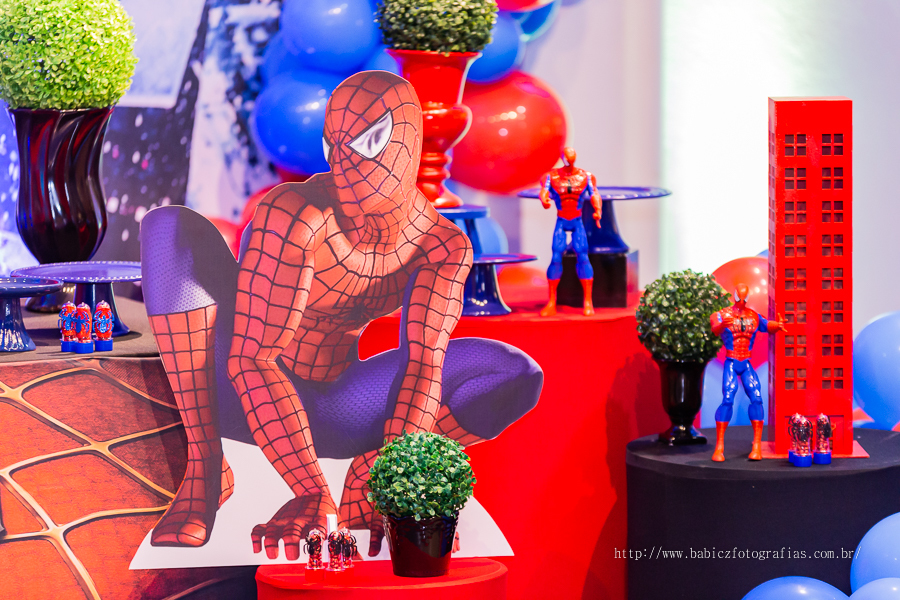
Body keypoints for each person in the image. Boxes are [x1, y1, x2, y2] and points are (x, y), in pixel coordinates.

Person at [141, 71, 543, 559]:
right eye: (336, 145)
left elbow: (423, 366)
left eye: (370, 141)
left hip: (338, 409)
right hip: (232, 394)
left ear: (410, 142)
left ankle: (368, 469)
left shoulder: (440, 245)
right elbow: (251, 359)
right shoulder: (295, 214)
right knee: (169, 228)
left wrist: (391, 482)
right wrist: (311, 490)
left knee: (512, 372)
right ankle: (205, 469)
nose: (349, 164)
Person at [710, 283, 786, 461]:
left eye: (744, 298)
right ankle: (719, 446)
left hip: (746, 361)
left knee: (757, 397)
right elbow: (714, 328)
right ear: (734, 295)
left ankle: (757, 444)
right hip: (731, 359)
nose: (742, 302)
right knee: (728, 397)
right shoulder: (722, 314)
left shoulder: (753, 316)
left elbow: (767, 325)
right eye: (739, 298)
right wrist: (722, 326)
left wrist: (779, 325)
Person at [539, 147, 602, 316]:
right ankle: (551, 301)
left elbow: (595, 193)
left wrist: (598, 210)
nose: (569, 161)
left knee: (583, 256)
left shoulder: (586, 177)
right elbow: (544, 190)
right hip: (561, 219)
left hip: (577, 220)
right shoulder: (551, 177)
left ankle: (588, 302)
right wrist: (544, 199)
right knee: (556, 257)